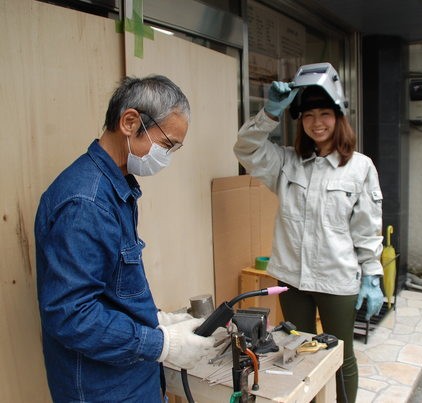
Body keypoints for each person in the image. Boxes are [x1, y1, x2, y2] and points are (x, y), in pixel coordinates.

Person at [34, 75, 214, 402]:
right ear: (130, 122)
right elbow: (71, 315)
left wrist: (156, 319)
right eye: (167, 145)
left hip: (129, 376)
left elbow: (109, 285)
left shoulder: (116, 188)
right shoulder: (86, 203)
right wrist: (163, 344)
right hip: (102, 388)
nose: (168, 157)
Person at [234, 64, 384, 403]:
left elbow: (366, 228)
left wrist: (372, 274)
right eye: (308, 115)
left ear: (339, 116)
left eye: (325, 114)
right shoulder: (287, 163)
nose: (317, 122)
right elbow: (246, 149)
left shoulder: (360, 167)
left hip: (336, 280)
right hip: (291, 280)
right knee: (301, 352)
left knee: (339, 357)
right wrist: (270, 112)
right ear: (300, 121)